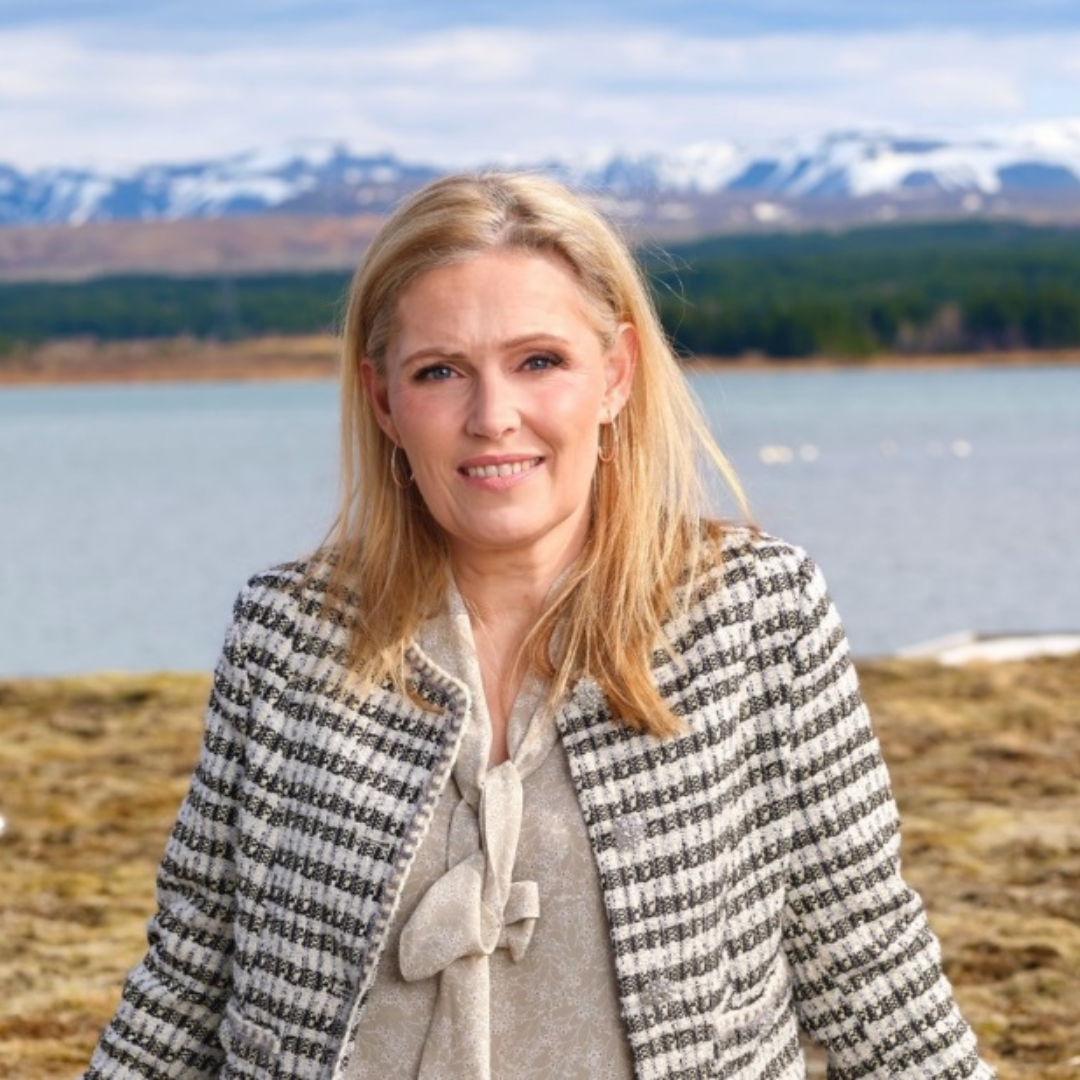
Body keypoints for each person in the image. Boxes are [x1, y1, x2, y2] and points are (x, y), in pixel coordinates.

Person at [86, 172, 995, 1080]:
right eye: (440, 372)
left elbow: (871, 971)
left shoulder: (759, 615)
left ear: (617, 374)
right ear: (383, 401)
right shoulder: (286, 634)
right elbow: (184, 988)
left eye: (539, 362)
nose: (493, 417)